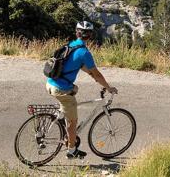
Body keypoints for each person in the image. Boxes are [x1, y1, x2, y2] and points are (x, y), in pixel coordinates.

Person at [46, 21, 118, 160]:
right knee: (73, 121)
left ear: (76, 32)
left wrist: (94, 78)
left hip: (50, 83)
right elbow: (96, 73)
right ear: (90, 35)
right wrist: (108, 87)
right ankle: (71, 150)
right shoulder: (85, 52)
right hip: (60, 89)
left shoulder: (71, 45)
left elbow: (82, 68)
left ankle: (63, 121)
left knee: (74, 90)